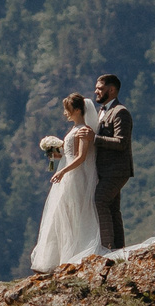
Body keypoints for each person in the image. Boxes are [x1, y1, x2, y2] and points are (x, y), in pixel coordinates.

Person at [31, 93, 103, 270]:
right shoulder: (74, 129)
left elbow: (80, 157)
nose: (65, 113)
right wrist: (54, 153)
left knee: (72, 213)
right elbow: (68, 153)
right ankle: (57, 257)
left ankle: (73, 253)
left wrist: (62, 171)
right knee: (61, 214)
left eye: (68, 110)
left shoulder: (82, 131)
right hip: (68, 176)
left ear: (77, 110)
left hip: (75, 177)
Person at [89, 72, 133, 251]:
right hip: (106, 170)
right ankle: (118, 248)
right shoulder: (102, 111)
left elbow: (121, 142)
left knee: (99, 200)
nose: (96, 92)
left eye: (100, 88)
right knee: (113, 208)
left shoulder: (120, 112)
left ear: (112, 90)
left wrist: (95, 139)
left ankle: (108, 247)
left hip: (117, 170)